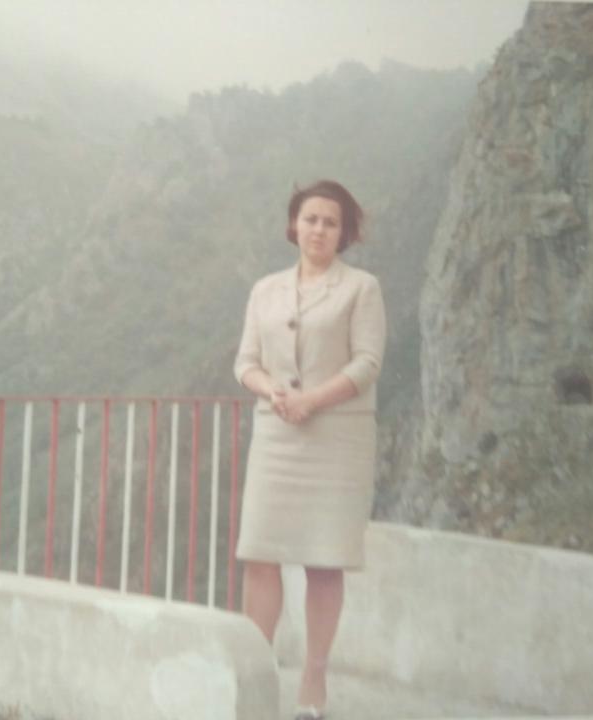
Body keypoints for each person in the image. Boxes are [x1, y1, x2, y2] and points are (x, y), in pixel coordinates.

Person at [233, 179, 386, 720]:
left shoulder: (360, 288)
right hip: (277, 436)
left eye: (330, 222)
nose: (318, 229)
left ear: (344, 233)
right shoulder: (264, 290)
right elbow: (245, 362)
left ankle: (312, 687)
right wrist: (271, 390)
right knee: (259, 556)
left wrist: (311, 401)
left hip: (336, 440)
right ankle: (255, 677)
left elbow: (367, 363)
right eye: (310, 218)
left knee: (324, 563)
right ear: (293, 224)